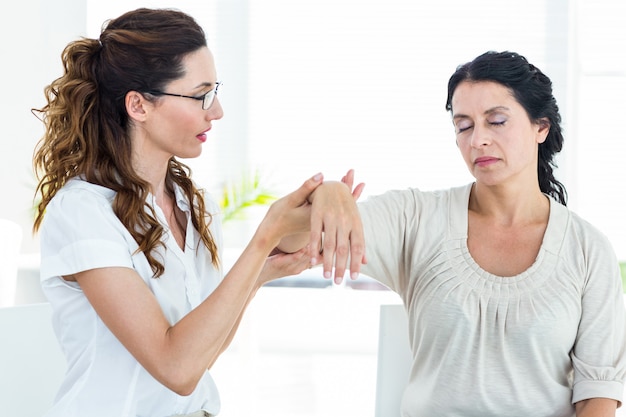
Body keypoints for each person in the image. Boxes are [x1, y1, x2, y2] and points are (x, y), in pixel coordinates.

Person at [31, 8, 364, 417]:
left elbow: (204, 350)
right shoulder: (83, 212)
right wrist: (264, 240)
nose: (217, 110)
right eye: (200, 94)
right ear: (138, 105)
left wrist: (264, 269)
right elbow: (177, 367)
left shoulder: (190, 203)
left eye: (215, 90)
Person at [299, 51, 626, 416]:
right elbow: (290, 242)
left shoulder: (587, 250)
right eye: (464, 126)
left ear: (541, 127)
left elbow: (598, 394)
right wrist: (327, 193)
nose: (478, 140)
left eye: (497, 121)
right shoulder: (416, 218)